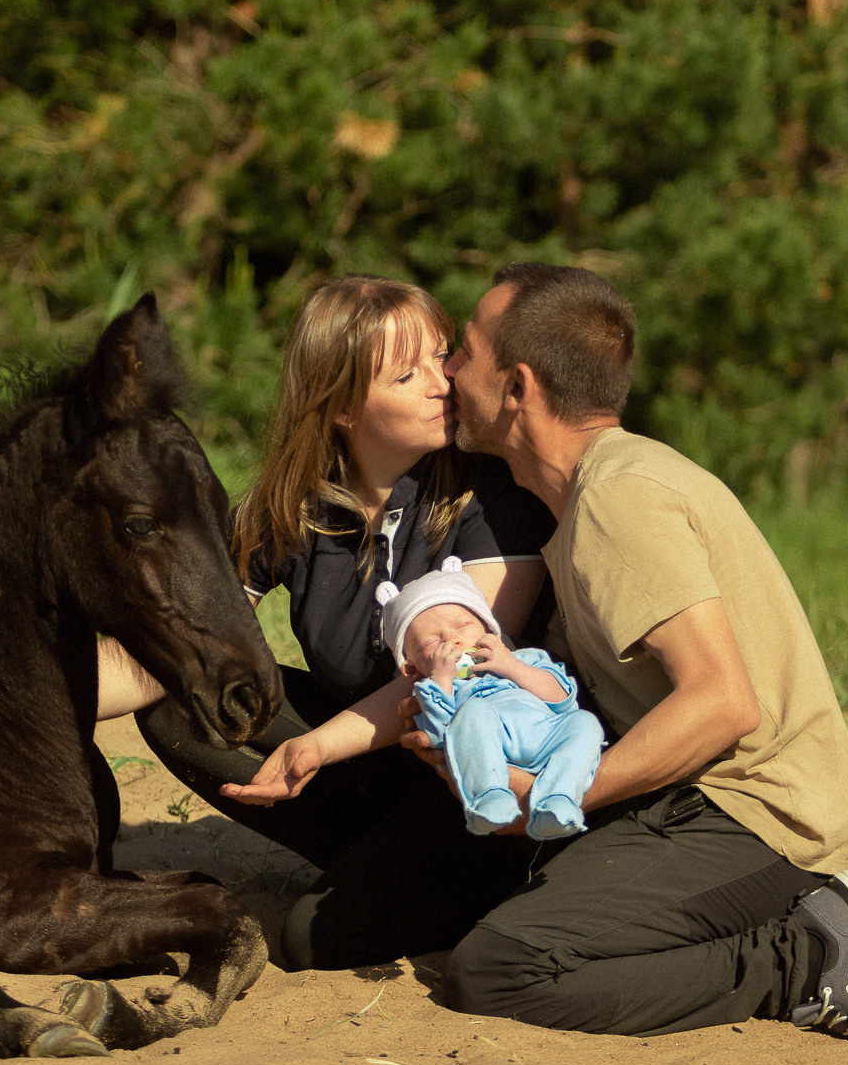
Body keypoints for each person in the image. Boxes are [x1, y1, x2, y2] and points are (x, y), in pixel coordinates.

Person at [424, 261, 848, 1045]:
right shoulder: (594, 495)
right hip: (705, 805)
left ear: (518, 386)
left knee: (498, 966)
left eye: (462, 350)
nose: (447, 370)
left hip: (764, 819)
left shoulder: (619, 497)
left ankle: (808, 957)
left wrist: (555, 798)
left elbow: (722, 702)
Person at [96, 274, 555, 970]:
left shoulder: (494, 497)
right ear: (342, 406)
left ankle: (483, 882)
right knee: (182, 701)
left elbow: (459, 674)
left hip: (479, 788)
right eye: (410, 374)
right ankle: (377, 861)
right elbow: (171, 648)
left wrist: (320, 747)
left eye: (442, 356)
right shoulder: (288, 512)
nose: (443, 383)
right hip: (378, 774)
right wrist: (25, 706)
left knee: (312, 938)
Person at [377, 558, 604, 841]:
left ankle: (557, 800)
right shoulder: (432, 693)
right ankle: (489, 799)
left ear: (489, 629)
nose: (453, 640)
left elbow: (562, 701)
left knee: (584, 723)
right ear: (411, 668)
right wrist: (442, 681)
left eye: (463, 625)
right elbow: (441, 739)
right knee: (474, 710)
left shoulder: (524, 659)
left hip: (546, 737)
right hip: (494, 757)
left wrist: (510, 666)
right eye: (432, 642)